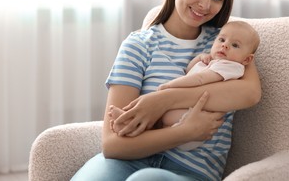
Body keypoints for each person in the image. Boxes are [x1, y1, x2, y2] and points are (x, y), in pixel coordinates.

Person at [71, 0, 261, 181]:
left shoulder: (227, 42)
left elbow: (250, 93)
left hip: (191, 171)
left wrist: (162, 100)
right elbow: (112, 145)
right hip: (128, 161)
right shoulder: (138, 44)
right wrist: (184, 132)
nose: (205, 4)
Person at [109, 20, 260, 151]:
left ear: (247, 59)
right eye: (221, 40)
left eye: (234, 45)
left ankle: (128, 123)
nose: (225, 46)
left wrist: (168, 88)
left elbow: (199, 79)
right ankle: (127, 123)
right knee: (159, 117)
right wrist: (200, 58)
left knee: (165, 116)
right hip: (184, 118)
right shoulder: (215, 61)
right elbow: (190, 71)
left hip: (194, 119)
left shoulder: (231, 66)